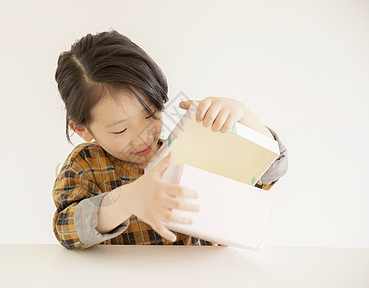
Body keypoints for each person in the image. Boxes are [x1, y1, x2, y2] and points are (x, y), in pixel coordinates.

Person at [52, 29, 288, 251]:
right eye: (121, 130)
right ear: (82, 129)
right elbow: (66, 230)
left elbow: (270, 171)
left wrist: (244, 116)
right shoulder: (86, 165)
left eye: (151, 114)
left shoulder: (190, 150)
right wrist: (125, 201)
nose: (143, 136)